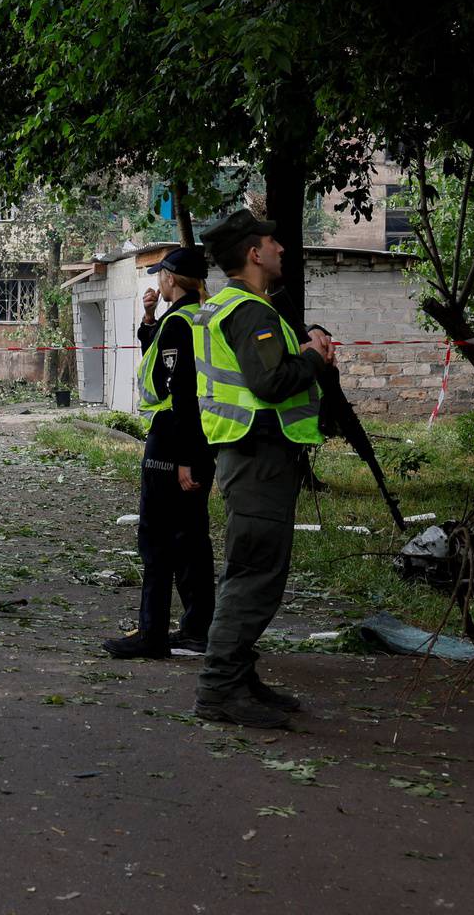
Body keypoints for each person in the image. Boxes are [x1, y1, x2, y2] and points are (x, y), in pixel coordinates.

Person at [188, 210, 334, 729]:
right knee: (254, 576)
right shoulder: (251, 312)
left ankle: (239, 678)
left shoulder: (229, 305)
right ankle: (219, 691)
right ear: (254, 253)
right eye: (274, 243)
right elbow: (270, 384)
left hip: (245, 455)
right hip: (258, 458)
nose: (282, 250)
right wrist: (315, 357)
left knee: (247, 570)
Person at [103, 246, 216, 660]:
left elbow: (181, 386)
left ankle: (151, 633)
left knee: (156, 537)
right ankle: (196, 629)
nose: (157, 283)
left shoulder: (181, 322)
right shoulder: (195, 317)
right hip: (197, 434)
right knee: (190, 538)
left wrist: (186, 455)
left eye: (160, 276)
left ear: (171, 277)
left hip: (173, 435)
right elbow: (160, 353)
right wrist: (149, 315)